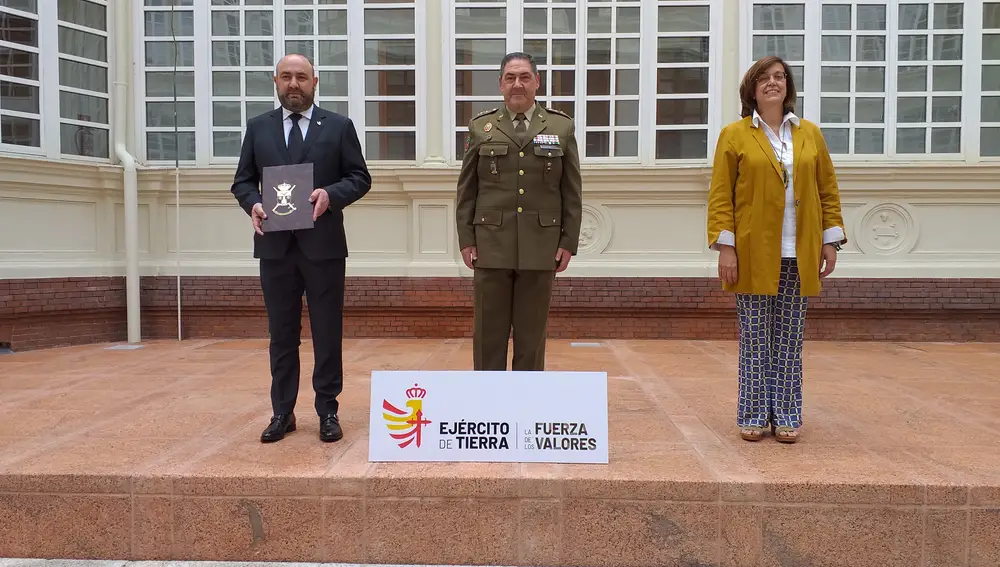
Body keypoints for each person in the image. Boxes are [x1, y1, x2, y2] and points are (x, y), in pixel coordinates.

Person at [230, 53, 371, 443]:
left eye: (302, 77)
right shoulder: (259, 128)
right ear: (275, 81)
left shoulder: (338, 126)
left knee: (327, 331)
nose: (294, 84)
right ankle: (282, 413)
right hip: (275, 249)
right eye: (287, 77)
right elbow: (241, 181)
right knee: (282, 335)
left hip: (323, 248)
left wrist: (332, 193)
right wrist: (253, 203)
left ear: (315, 82)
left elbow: (360, 177)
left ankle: (328, 410)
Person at [706, 55, 847, 444]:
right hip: (751, 253)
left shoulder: (809, 134)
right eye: (765, 78)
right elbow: (721, 196)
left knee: (788, 339)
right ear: (752, 88)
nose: (774, 83)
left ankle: (786, 414)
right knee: (754, 339)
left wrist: (830, 239)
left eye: (780, 77)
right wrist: (726, 248)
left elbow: (827, 191)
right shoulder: (735, 135)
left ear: (788, 87)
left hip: (798, 254)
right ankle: (751, 413)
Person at [455, 51, 583, 371]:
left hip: (541, 247)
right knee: (488, 335)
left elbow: (571, 191)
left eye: (524, 77)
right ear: (500, 85)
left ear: (536, 83)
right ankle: (489, 406)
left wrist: (568, 242)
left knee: (531, 337)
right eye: (510, 78)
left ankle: (527, 407)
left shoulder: (561, 127)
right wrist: (466, 239)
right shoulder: (480, 127)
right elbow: (467, 190)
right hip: (490, 245)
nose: (517, 84)